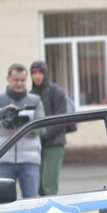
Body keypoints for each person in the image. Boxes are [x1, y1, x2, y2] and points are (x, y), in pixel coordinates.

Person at [0, 64, 45, 198]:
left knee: (31, 202)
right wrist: (5, 111)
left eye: (23, 80)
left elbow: (42, 128)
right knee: (2, 203)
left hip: (30, 161)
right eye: (16, 80)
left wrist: (24, 129)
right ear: (7, 79)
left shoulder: (36, 101)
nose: (20, 84)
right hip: (3, 159)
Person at [29, 60, 69, 196]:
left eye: (40, 72)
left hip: (54, 145)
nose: (37, 76)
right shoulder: (30, 95)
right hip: (36, 146)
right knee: (37, 187)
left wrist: (43, 136)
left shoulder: (56, 92)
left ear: (45, 74)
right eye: (34, 73)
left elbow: (61, 120)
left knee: (48, 187)